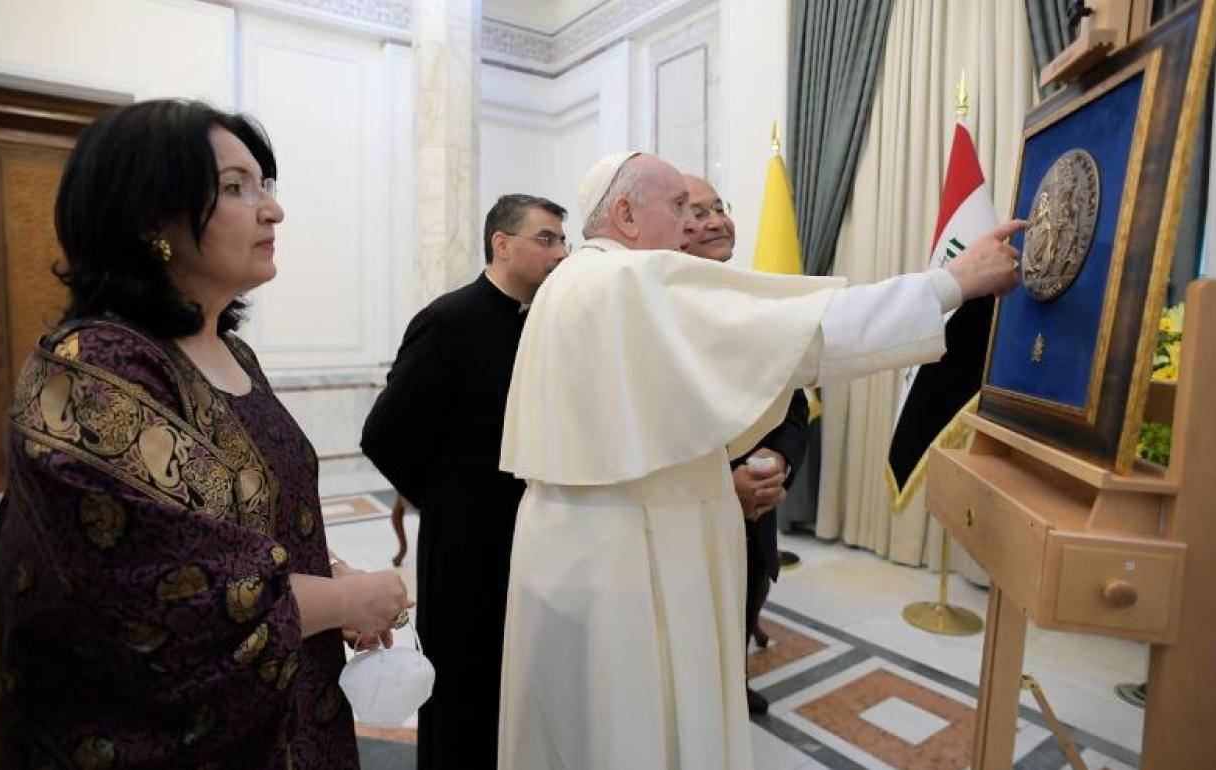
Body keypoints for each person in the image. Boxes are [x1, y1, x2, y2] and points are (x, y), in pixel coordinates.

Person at [496, 150, 1025, 770]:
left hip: (565, 550)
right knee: (639, 730)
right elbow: (808, 331)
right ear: (624, 214)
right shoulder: (632, 279)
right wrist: (953, 283)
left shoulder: (566, 283)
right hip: (633, 559)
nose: (693, 225)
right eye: (679, 209)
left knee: (577, 728)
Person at [0, 99, 409, 770]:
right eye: (236, 188)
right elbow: (158, 590)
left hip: (292, 710)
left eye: (264, 185)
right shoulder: (96, 371)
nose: (272, 210)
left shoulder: (233, 353)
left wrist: (326, 581)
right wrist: (345, 598)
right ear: (151, 217)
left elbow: (246, 526)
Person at [361, 194, 569, 770]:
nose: (561, 252)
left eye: (562, 240)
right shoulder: (449, 320)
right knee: (463, 688)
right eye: (547, 238)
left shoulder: (548, 326)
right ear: (502, 244)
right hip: (466, 544)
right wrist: (450, 502)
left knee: (520, 680)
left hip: (534, 536)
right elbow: (384, 433)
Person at [682, 174, 807, 716]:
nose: (716, 221)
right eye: (697, 212)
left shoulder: (759, 300)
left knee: (745, 600)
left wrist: (779, 458)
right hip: (687, 518)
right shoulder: (655, 310)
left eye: (720, 208)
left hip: (755, 513)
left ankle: (732, 685)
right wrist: (718, 483)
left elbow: (794, 403)